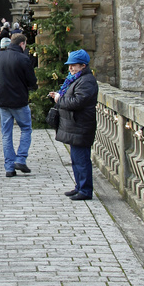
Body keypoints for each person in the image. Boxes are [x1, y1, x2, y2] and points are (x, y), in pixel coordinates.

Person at [50, 49, 98, 200]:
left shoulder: (87, 81)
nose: (70, 68)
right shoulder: (76, 79)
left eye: (74, 65)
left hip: (81, 126)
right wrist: (59, 96)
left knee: (82, 160)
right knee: (76, 160)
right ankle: (79, 186)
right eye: (70, 65)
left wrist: (59, 99)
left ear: (83, 66)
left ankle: (85, 190)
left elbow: (78, 102)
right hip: (75, 126)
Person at [0, 32, 37, 178]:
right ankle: (21, 159)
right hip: (18, 100)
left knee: (6, 134)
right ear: (22, 44)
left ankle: (9, 167)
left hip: (2, 100)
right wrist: (32, 87)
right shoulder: (23, 58)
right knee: (26, 128)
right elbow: (31, 80)